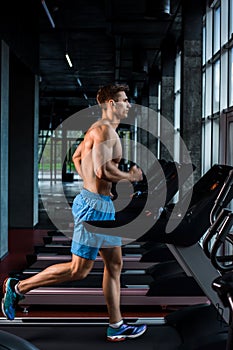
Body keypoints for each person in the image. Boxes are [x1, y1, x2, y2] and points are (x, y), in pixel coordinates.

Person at [1, 83, 147, 342]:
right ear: (111, 104)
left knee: (114, 264)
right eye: (124, 100)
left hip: (100, 204)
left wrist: (91, 185)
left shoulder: (100, 130)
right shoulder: (105, 131)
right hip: (94, 208)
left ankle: (116, 325)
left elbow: (78, 157)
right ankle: (18, 286)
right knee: (78, 270)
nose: (128, 105)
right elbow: (104, 171)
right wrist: (130, 176)